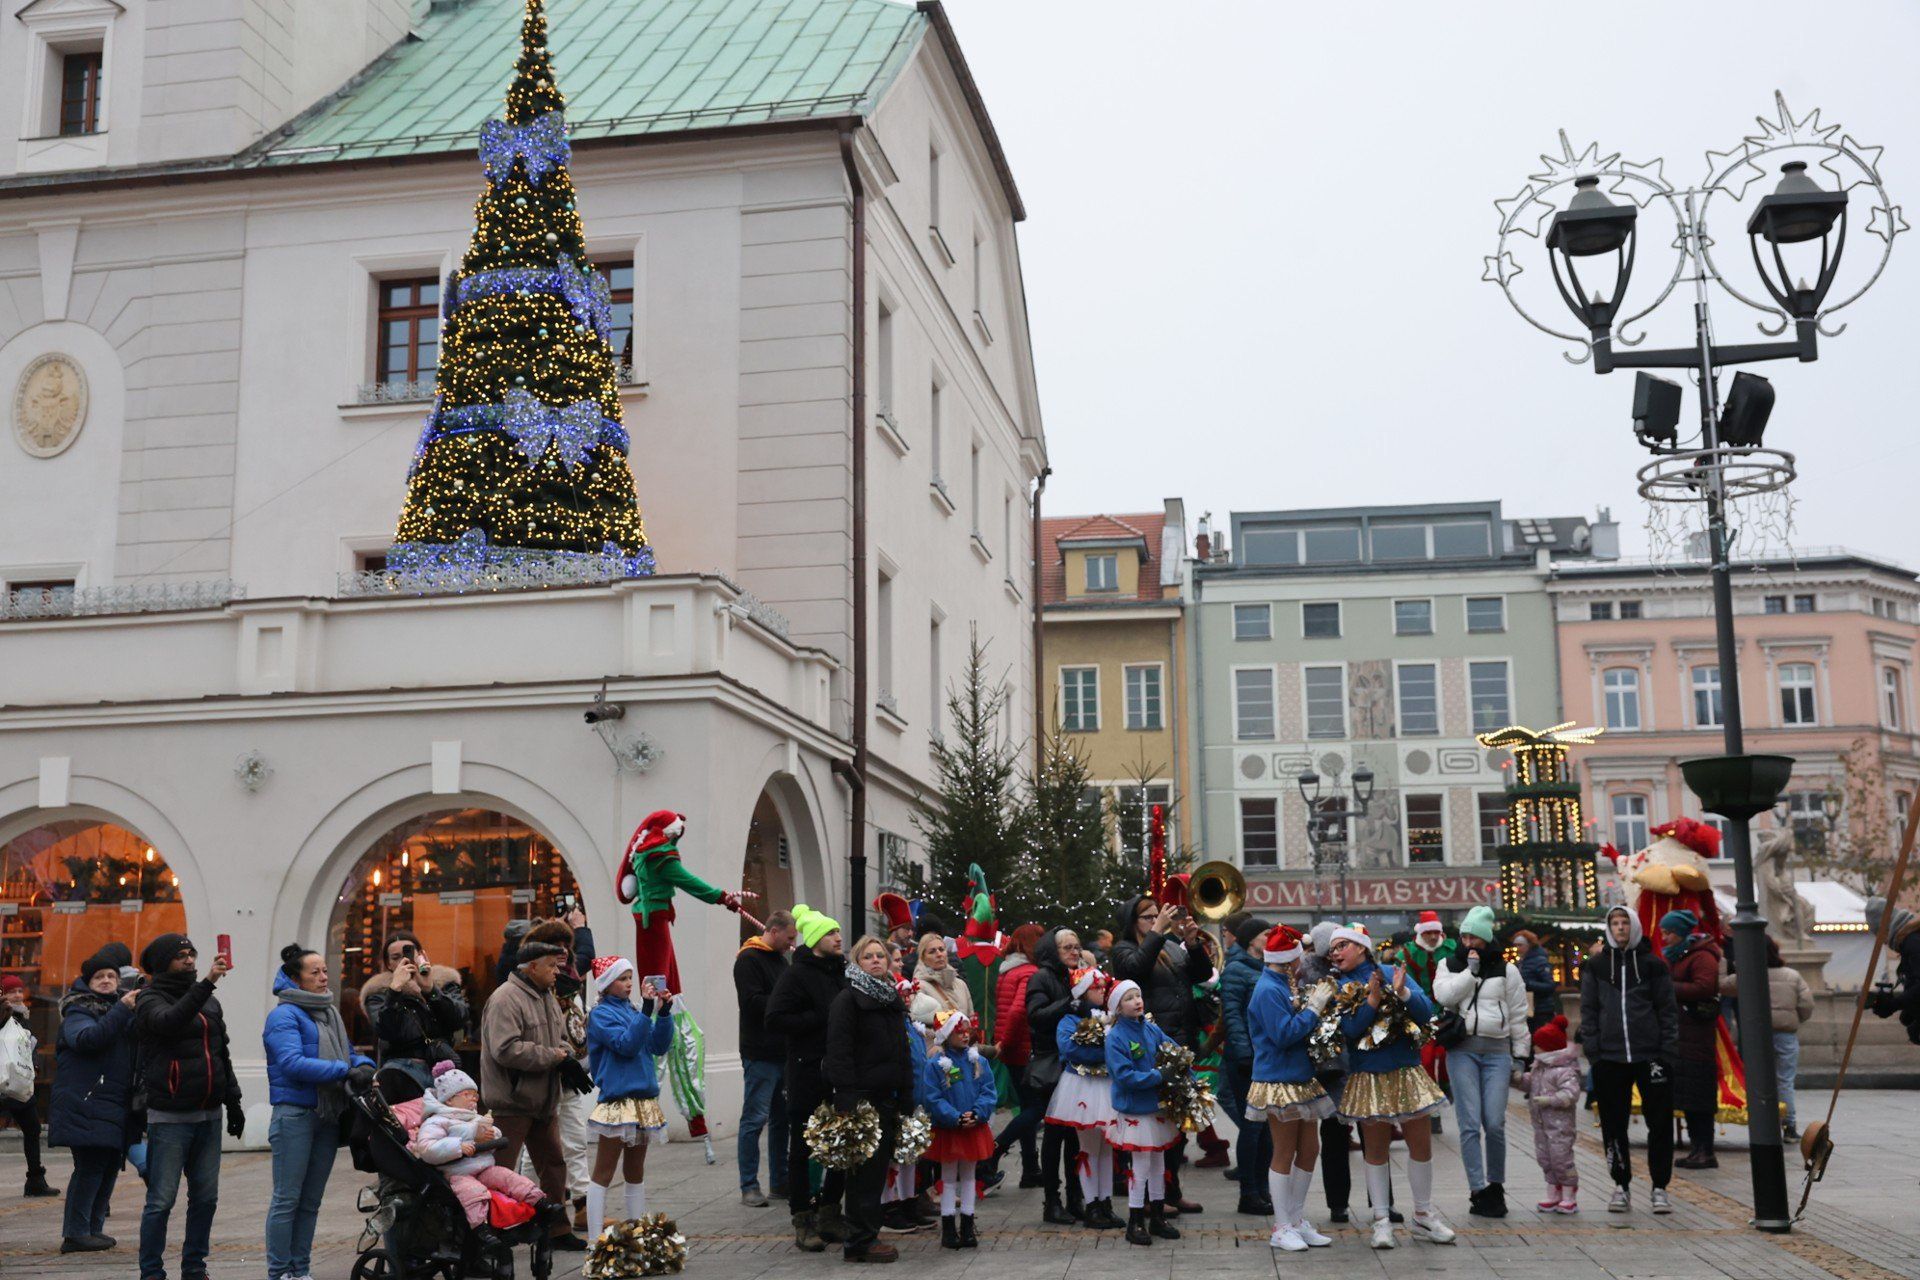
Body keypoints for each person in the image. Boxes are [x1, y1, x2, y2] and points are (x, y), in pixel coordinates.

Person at [1324, 922, 1454, 1250]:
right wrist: (1372, 1000)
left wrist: (1403, 992)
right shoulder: (1339, 984)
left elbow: (1426, 1012)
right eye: (1333, 947)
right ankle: (1381, 1220)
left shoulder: (1391, 970)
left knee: (1421, 1146)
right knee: (1376, 1150)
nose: (1335, 952)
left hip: (1406, 1071)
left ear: (1361, 948)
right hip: (1369, 1074)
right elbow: (1350, 1031)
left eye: (1342, 945)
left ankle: (1423, 1215)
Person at [134, 934, 244, 1280]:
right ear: (163, 962)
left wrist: (234, 1102)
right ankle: (151, 1271)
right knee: (161, 1200)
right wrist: (208, 983)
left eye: (191, 953)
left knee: (206, 1199)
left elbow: (220, 1052)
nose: (189, 960)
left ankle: (194, 1267)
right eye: (180, 955)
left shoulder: (208, 1002)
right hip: (170, 1118)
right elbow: (170, 1021)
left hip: (209, 1115)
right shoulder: (149, 998)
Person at [263, 944, 375, 1280]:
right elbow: (292, 1063)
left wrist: (366, 1066)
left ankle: (302, 1270)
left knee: (310, 1201)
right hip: (295, 1114)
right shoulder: (283, 1015)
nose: (323, 977)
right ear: (295, 978)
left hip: (327, 1116)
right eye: (315, 972)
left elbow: (349, 1052)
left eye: (325, 970)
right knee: (287, 1199)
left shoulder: (329, 1012)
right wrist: (343, 1071)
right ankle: (279, 1271)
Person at [479, 922, 587, 1250]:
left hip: (542, 1100)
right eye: (552, 966)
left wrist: (566, 1055)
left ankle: (556, 1229)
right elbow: (505, 1049)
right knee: (499, 1171)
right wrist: (553, 1056)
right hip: (512, 1101)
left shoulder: (546, 996)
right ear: (532, 967)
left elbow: (558, 1039)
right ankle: (488, 1231)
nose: (558, 971)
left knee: (554, 1165)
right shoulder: (505, 999)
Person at [1110, 896, 1210, 1215]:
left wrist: (1193, 945)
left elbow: (1200, 974)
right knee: (1152, 1130)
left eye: (1157, 915)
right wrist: (1158, 932)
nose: (1155, 920)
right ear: (1132, 921)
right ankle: (1154, 1197)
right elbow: (1135, 970)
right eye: (1147, 917)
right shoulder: (1124, 949)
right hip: (1150, 1044)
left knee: (1176, 1127)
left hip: (1178, 1039)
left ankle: (1170, 1190)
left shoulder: (1168, 946)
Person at [1431, 903, 1530, 1219]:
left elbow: (1517, 1015)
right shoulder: (1449, 964)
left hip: (1497, 1052)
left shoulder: (1507, 970)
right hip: (1462, 1051)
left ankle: (1496, 1184)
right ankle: (1477, 1188)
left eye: (1476, 938)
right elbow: (1444, 997)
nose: (1470, 944)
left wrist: (1521, 1056)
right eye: (1465, 937)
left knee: (1495, 1123)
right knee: (1470, 1123)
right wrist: (1469, 973)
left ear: (1487, 939)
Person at [1579, 905, 1679, 1214]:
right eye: (1615, 923)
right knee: (1613, 1124)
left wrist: (1666, 1052)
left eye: (1625, 922)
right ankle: (1620, 1185)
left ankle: (1659, 1186)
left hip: (1650, 1056)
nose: (1620, 928)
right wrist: (1594, 1052)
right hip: (1609, 1057)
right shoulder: (1596, 966)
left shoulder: (1653, 965)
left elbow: (1667, 1010)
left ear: (1634, 926)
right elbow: (1589, 1010)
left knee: (1659, 1123)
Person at [1245, 925, 1336, 1253]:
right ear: (1287, 960)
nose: (1303, 962)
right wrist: (1313, 1009)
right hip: (1277, 1079)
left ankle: (1296, 1220)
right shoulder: (1268, 989)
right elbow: (1283, 1034)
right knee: (1284, 1151)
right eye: (1299, 957)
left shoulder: (1283, 983)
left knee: (1310, 1148)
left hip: (1298, 1077)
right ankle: (1281, 1226)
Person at [825, 934, 915, 1264]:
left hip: (887, 1097)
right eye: (868, 956)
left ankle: (868, 1234)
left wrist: (906, 1091)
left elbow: (902, 1050)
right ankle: (859, 1241)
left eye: (880, 955)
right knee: (863, 1175)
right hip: (863, 1099)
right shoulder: (848, 1000)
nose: (876, 960)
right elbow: (839, 1051)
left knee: (876, 1174)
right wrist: (846, 1097)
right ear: (857, 962)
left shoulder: (890, 997)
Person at [765, 904, 849, 1252]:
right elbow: (775, 1018)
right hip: (805, 1071)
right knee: (802, 1149)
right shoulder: (796, 975)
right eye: (831, 933)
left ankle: (831, 1212)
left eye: (837, 931)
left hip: (838, 1071)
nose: (838, 937)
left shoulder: (841, 971)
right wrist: (819, 1018)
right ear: (816, 939)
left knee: (843, 1144)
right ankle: (803, 1218)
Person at [49, 945, 137, 1250]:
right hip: (86, 1100)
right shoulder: (79, 1009)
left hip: (110, 1101)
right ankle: (75, 1233)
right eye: (99, 976)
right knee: (90, 1167)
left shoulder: (118, 1009)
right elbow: (87, 1040)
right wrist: (123, 1009)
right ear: (88, 982)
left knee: (109, 1165)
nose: (106, 981)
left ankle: (93, 1227)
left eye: (111, 976)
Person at [583, 956, 677, 1233]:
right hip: (617, 1103)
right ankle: (594, 1239)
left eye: (629, 978)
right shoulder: (600, 1015)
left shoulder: (635, 1010)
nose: (628, 984)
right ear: (606, 984)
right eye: (622, 979)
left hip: (643, 1101)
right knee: (604, 1172)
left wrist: (663, 1013)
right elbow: (626, 1045)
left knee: (635, 1172)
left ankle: (637, 1232)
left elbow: (658, 1047)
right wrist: (646, 1010)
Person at [412, 1062, 553, 1244]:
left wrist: (493, 1135)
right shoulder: (437, 1121)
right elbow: (426, 1148)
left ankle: (540, 1203)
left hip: (483, 1168)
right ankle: (481, 1228)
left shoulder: (474, 1117)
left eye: (475, 1095)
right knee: (474, 1192)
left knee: (508, 1177)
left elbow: (492, 1137)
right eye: (467, 1095)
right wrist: (458, 1146)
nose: (474, 1099)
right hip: (457, 1172)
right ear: (449, 1099)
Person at [1103, 978, 1184, 1245]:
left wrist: (1186, 1070)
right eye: (1129, 998)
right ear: (1117, 1007)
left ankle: (1158, 1216)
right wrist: (1158, 1075)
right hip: (1136, 1110)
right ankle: (1135, 1220)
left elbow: (1172, 1051)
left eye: (1138, 995)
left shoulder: (1150, 1029)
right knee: (1140, 1165)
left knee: (1159, 1163)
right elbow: (1125, 1076)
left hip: (1156, 1107)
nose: (1137, 1001)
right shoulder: (1116, 1037)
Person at [1044, 967, 1121, 1231]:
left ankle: (1106, 1201)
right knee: (1088, 1149)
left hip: (1105, 1086)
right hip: (1081, 1088)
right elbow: (1070, 1049)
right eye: (1096, 987)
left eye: (1102, 986)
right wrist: (1104, 1053)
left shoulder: (1109, 1018)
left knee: (1107, 1147)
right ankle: (1092, 1204)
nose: (1101, 990)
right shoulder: (1068, 1020)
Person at [1017, 927, 1083, 1221]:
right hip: (1051, 1063)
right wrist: (1069, 1003)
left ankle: (1076, 1196)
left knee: (1075, 1137)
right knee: (1056, 1134)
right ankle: (1051, 1201)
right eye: (1067, 947)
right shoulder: (1041, 977)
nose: (1074, 952)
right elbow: (1035, 1016)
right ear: (1052, 951)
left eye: (1077, 947)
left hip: (1076, 1063)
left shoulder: (1078, 975)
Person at [1722, 935, 1814, 1140]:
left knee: (1758, 1079)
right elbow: (1807, 1005)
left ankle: (1763, 1122)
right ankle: (1789, 1125)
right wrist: (1794, 1018)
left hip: (1756, 1034)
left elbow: (1722, 986)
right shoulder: (1792, 975)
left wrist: (1724, 962)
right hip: (1785, 1033)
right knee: (1785, 1080)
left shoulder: (1747, 975)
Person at [735, 910, 795, 1207]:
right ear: (774, 930)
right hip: (760, 1052)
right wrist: (785, 1003)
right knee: (754, 1119)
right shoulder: (748, 959)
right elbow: (751, 1002)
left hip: (781, 1051)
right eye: (789, 937)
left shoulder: (781, 961)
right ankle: (749, 1185)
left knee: (781, 1119)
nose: (791, 943)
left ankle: (780, 1181)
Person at [923, 1009, 997, 1249]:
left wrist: (977, 1113)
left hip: (973, 1127)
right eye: (959, 1032)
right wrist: (954, 1117)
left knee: (969, 1175)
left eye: (967, 1031)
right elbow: (932, 1097)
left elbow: (988, 1091)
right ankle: (948, 1228)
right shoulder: (935, 1065)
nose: (965, 1036)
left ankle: (967, 1224)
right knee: (947, 1176)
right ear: (946, 1035)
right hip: (950, 1129)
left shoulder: (979, 1061)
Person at [1297, 922, 1354, 1222]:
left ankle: (1372, 1204)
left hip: (1345, 1064)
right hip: (1328, 1066)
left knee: (1343, 1135)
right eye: (1333, 947)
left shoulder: (1346, 970)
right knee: (1334, 1135)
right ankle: (1338, 1203)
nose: (1337, 952)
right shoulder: (1310, 973)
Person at [361, 931, 468, 1090]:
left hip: (444, 1071)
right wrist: (394, 991)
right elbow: (385, 1030)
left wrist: (430, 990)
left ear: (421, 955)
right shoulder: (378, 992)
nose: (404, 961)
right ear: (388, 964)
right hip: (401, 1077)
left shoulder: (444, 983)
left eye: (409, 953)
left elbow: (458, 1018)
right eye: (396, 958)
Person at [1659, 909, 1723, 1169]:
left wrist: (1668, 988)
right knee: (1688, 1096)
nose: (1663, 937)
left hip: (1696, 1036)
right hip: (1682, 1036)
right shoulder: (1677, 956)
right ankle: (1697, 1148)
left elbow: (1705, 987)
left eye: (1668, 932)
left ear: (1681, 933)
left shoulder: (1702, 956)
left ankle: (1705, 1150)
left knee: (1699, 1097)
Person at [1219, 914, 1273, 1218]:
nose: (1269, 938)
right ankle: (1248, 1192)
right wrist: (1242, 1053)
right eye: (1264, 934)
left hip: (1264, 1057)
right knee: (1252, 1127)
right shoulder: (1236, 970)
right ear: (1251, 939)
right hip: (1245, 1060)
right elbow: (1232, 1015)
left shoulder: (1265, 967)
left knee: (1265, 1129)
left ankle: (1263, 1188)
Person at [987, 923, 1045, 1191]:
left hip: (1011, 1051)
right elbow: (1018, 1012)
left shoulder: (1008, 970)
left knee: (1026, 1108)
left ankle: (1031, 1169)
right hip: (1022, 1049)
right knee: (1036, 1109)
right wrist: (1006, 1041)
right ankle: (995, 1149)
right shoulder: (1030, 972)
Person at [1515, 1014, 1580, 1213]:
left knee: (1561, 1158)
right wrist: (1517, 1080)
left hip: (1560, 1126)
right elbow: (1530, 1083)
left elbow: (1571, 1094)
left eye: (1538, 1045)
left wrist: (1550, 1100)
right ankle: (1553, 1192)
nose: (1535, 1048)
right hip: (1541, 1125)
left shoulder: (1564, 1071)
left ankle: (1569, 1192)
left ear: (1549, 1048)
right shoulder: (1539, 1068)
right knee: (1545, 1158)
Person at [1, 973, 54, 1198]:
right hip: (3, 1081)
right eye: (12, 991)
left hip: (20, 1082)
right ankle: (35, 1179)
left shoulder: (23, 1015)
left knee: (32, 1127)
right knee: (31, 1127)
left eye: (20, 991)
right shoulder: (5, 1013)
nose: (17, 995)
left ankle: (35, 1179)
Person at [1866, 896, 1920, 1045]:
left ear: (1886, 928)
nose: (1882, 941)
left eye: (1878, 934)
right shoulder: (1911, 940)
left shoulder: (1912, 942)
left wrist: (1894, 1004)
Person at [908, 933, 974, 1025]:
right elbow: (919, 1025)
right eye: (932, 951)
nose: (939, 954)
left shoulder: (961, 984)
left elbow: (971, 1018)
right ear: (923, 958)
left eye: (941, 949)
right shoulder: (919, 986)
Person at [1514, 931, 1561, 1031]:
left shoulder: (1540, 961)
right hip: (1527, 1007)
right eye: (1516, 945)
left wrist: (1528, 984)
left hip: (1541, 1009)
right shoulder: (1521, 962)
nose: (1518, 948)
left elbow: (1550, 985)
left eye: (1520, 945)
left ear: (1529, 945)